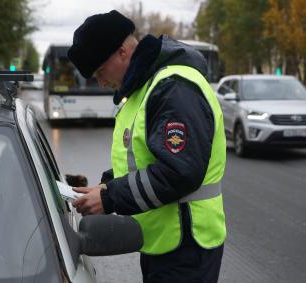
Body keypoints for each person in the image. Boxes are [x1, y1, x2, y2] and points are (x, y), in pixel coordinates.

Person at [68, 10, 227, 283]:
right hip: (165, 242)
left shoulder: (173, 87)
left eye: (99, 71)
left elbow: (179, 172)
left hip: (187, 245)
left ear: (121, 52)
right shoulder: (144, 89)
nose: (101, 82)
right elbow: (141, 159)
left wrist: (109, 197)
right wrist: (106, 186)